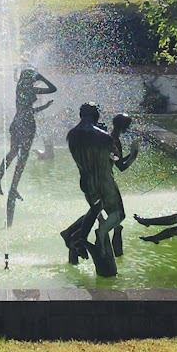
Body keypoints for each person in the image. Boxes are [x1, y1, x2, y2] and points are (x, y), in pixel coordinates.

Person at [61, 105, 138, 275]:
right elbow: (117, 162)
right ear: (96, 116)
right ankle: (99, 237)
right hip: (103, 182)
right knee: (118, 215)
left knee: (95, 209)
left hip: (86, 182)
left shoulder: (71, 135)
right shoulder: (103, 137)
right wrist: (133, 154)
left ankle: (77, 240)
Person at [0, 67, 57, 201]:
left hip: (17, 123)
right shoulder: (31, 89)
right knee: (22, 157)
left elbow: (28, 110)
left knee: (13, 152)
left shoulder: (20, 88)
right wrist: (42, 77)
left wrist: (45, 107)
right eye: (33, 78)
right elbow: (53, 89)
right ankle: (13, 187)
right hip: (26, 125)